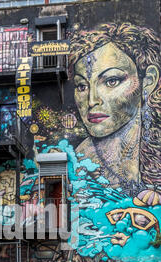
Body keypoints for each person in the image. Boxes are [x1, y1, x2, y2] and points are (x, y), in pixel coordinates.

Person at [69, 22, 161, 189]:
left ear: (148, 81)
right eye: (82, 86)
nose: (92, 101)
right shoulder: (79, 162)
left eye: (111, 81)